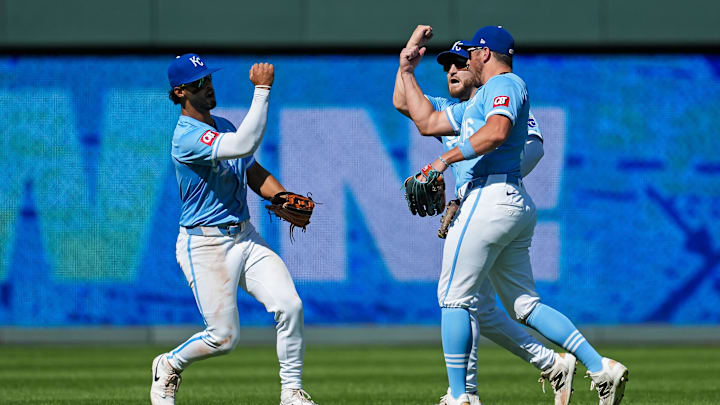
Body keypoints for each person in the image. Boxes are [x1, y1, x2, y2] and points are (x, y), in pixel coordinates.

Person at [398, 26, 628, 405]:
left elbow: (498, 132)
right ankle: (600, 367)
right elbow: (425, 121)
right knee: (525, 305)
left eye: (471, 52)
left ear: (486, 53)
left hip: (489, 196)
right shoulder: (476, 101)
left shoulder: (506, 85)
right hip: (506, 200)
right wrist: (407, 69)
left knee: (453, 299)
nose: (466, 59)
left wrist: (442, 161)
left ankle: (460, 397)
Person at [150, 53, 317, 405]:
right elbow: (243, 144)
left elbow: (251, 171)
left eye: (208, 78)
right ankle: (168, 364)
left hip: (244, 236)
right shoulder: (186, 137)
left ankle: (291, 391)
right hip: (205, 245)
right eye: (198, 83)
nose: (207, 86)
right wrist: (262, 90)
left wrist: (282, 195)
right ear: (180, 92)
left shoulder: (223, 125)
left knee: (290, 305)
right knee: (223, 338)